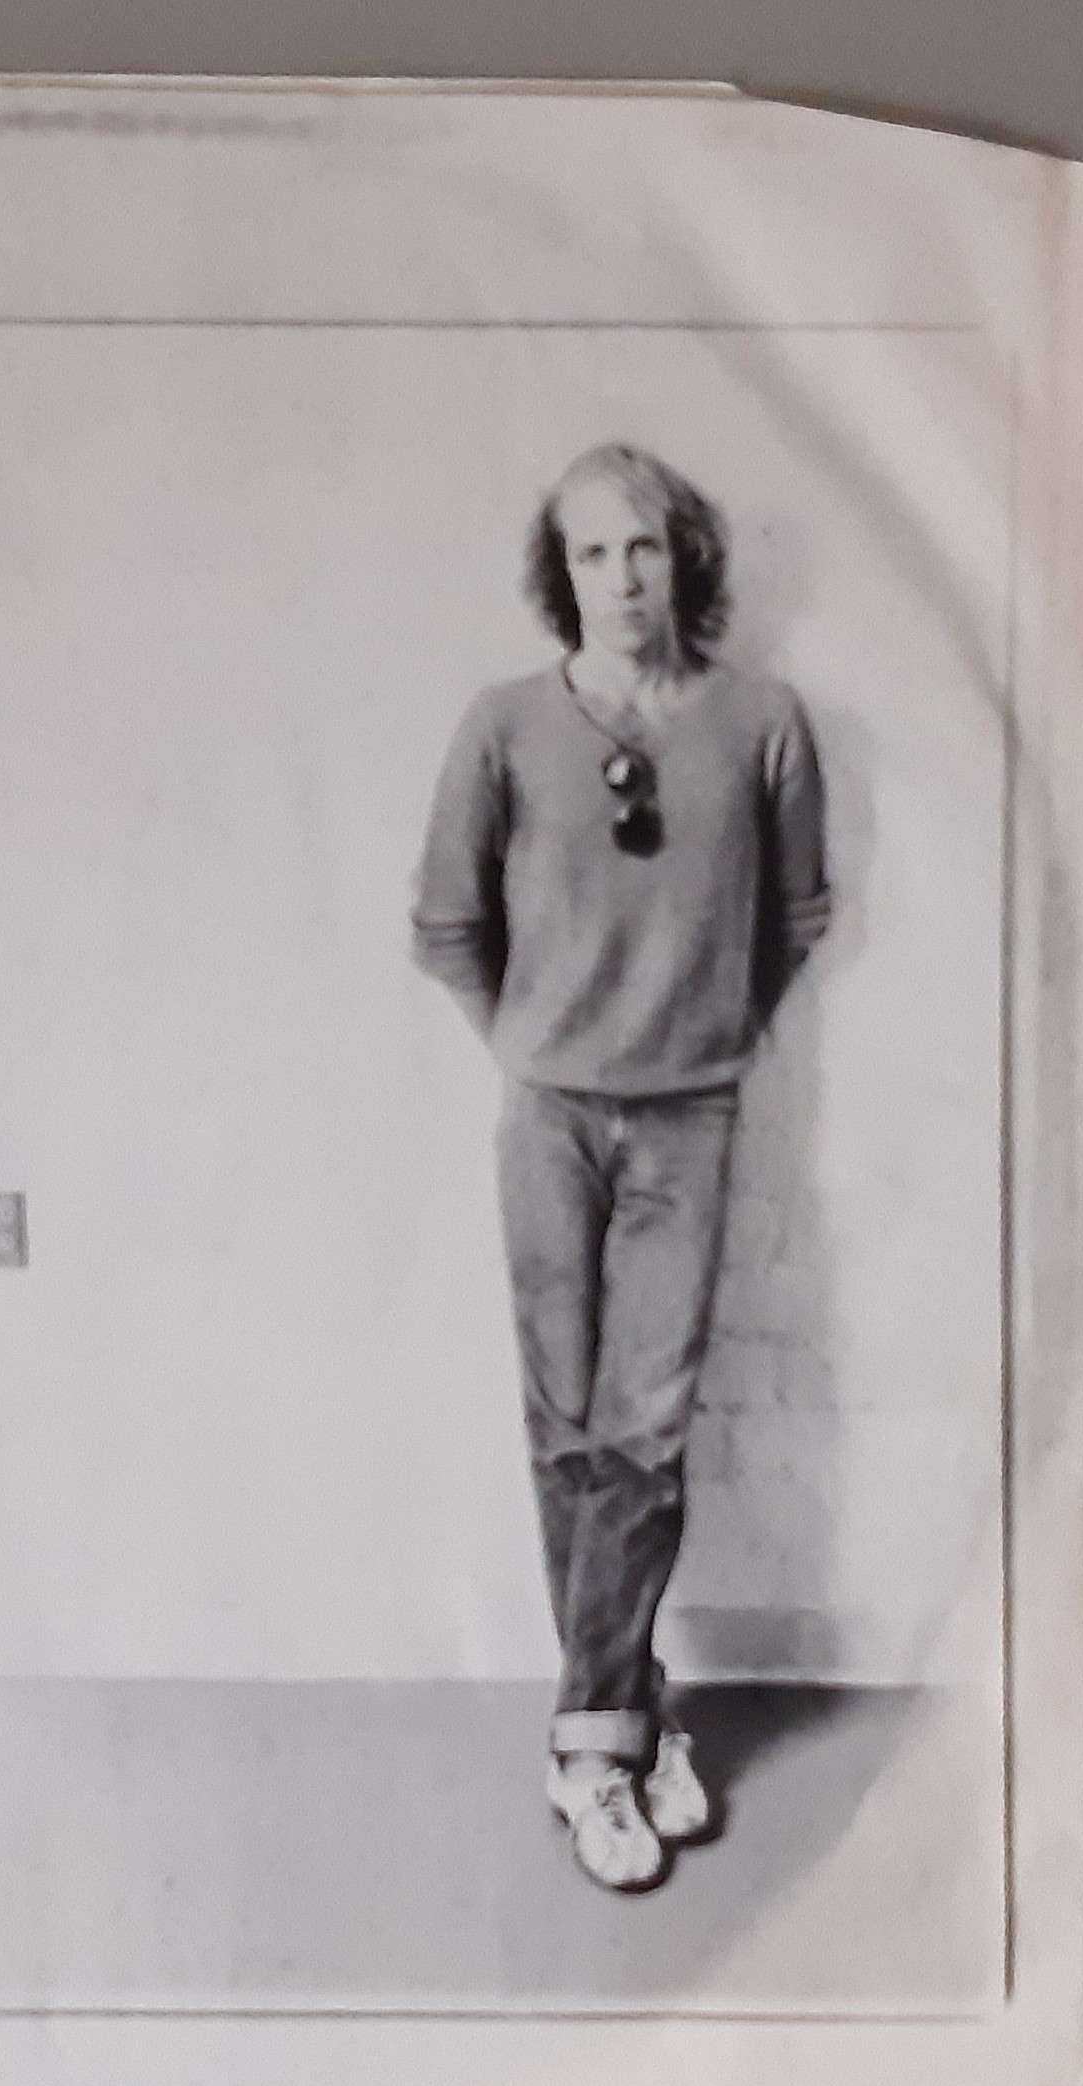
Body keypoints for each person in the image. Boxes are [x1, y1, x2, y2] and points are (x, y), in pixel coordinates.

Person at [411, 442, 831, 1893]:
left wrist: (706, 1034)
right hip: (547, 1120)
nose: (622, 577)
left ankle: (592, 1747)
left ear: (684, 559)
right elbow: (446, 926)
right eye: (592, 553)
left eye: (644, 546)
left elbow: (795, 919)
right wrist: (535, 1047)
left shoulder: (763, 721)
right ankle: (624, 1730)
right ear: (562, 576)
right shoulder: (503, 726)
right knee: (566, 1430)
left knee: (643, 1431)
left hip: (687, 1121)